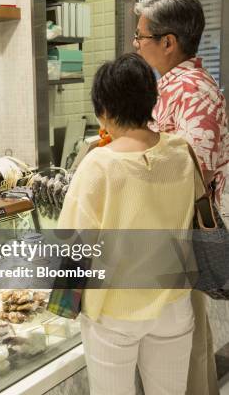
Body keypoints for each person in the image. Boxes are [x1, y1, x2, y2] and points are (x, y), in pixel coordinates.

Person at [58, 53, 205, 395]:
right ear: (151, 101)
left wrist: (63, 305)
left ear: (104, 111)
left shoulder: (99, 164)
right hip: (173, 301)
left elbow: (72, 244)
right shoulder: (181, 151)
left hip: (114, 310)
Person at [134, 0, 227, 394]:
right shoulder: (177, 86)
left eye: (141, 37)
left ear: (168, 42)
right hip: (170, 236)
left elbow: (188, 172)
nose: (136, 45)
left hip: (181, 237)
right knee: (187, 343)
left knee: (183, 347)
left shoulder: (191, 91)